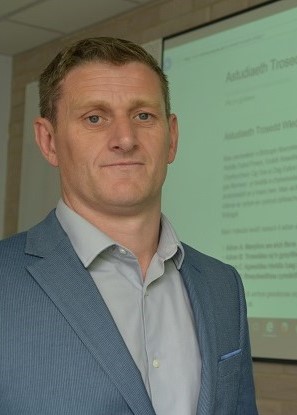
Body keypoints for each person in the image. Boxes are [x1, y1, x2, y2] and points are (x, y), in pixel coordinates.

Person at [0, 37, 258, 414]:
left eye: (143, 116)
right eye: (94, 118)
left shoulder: (223, 285)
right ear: (49, 140)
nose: (125, 139)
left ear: (171, 138)